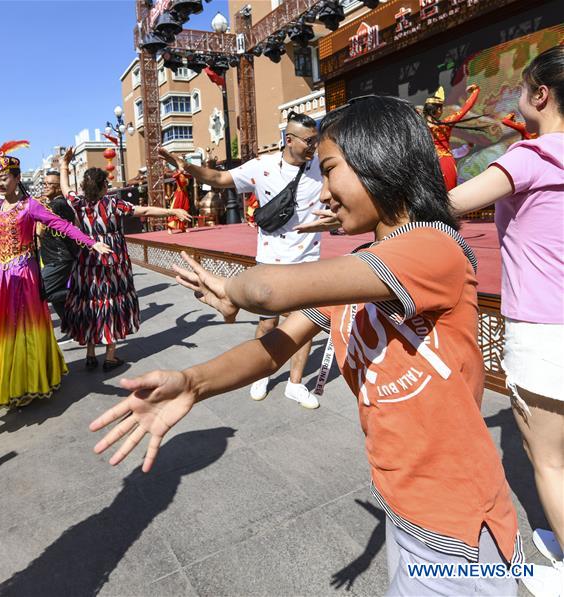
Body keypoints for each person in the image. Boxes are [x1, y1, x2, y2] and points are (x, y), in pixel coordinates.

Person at [91, 95, 524, 596]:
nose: (324, 193)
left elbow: (270, 291)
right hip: (405, 506)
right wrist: (192, 383)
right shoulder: (367, 267)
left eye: (331, 170)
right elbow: (275, 345)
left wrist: (234, 289)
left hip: (460, 524)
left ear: (378, 160)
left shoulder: (433, 248)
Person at [447, 46, 564, 597]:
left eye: (522, 88)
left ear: (541, 95)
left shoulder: (530, 156)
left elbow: (450, 203)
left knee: (550, 461)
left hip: (544, 331)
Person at [159, 111, 324, 408]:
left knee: (306, 323)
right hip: (271, 260)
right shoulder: (262, 166)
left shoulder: (321, 165)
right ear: (289, 140)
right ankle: (262, 371)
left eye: (316, 140)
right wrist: (187, 167)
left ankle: (295, 384)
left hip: (308, 259)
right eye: (309, 141)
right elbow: (220, 178)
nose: (314, 146)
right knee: (268, 323)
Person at [0, 142, 111, 412]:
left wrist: (90, 243)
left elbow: (62, 225)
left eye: (4, 178)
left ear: (16, 178)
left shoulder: (30, 206)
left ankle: (26, 380)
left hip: (23, 273)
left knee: (22, 324)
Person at [59, 147, 191, 372]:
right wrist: (173, 212)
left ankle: (90, 354)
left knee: (89, 304)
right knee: (111, 303)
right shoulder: (112, 204)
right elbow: (146, 211)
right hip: (112, 261)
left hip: (86, 261)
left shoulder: (78, 204)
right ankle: (110, 356)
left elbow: (65, 189)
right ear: (103, 186)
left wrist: (64, 165)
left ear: (84, 187)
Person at [38, 168, 80, 325]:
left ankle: (80, 292)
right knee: (57, 298)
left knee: (38, 291)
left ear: (57, 187)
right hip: (54, 258)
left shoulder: (57, 205)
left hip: (59, 259)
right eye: (44, 183)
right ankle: (74, 326)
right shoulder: (56, 204)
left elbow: (39, 231)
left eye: (49, 184)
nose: (45, 186)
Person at [422, 84, 481, 190]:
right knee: (450, 195)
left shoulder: (418, 128)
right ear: (439, 110)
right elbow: (464, 109)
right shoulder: (445, 125)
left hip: (427, 166)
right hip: (445, 162)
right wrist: (475, 91)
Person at [166, 169, 190, 233]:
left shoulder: (185, 175)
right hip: (179, 194)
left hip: (184, 195)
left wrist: (185, 172)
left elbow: (190, 176)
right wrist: (179, 173)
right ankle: (170, 228)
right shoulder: (177, 175)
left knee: (185, 209)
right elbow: (174, 176)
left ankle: (183, 227)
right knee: (175, 209)